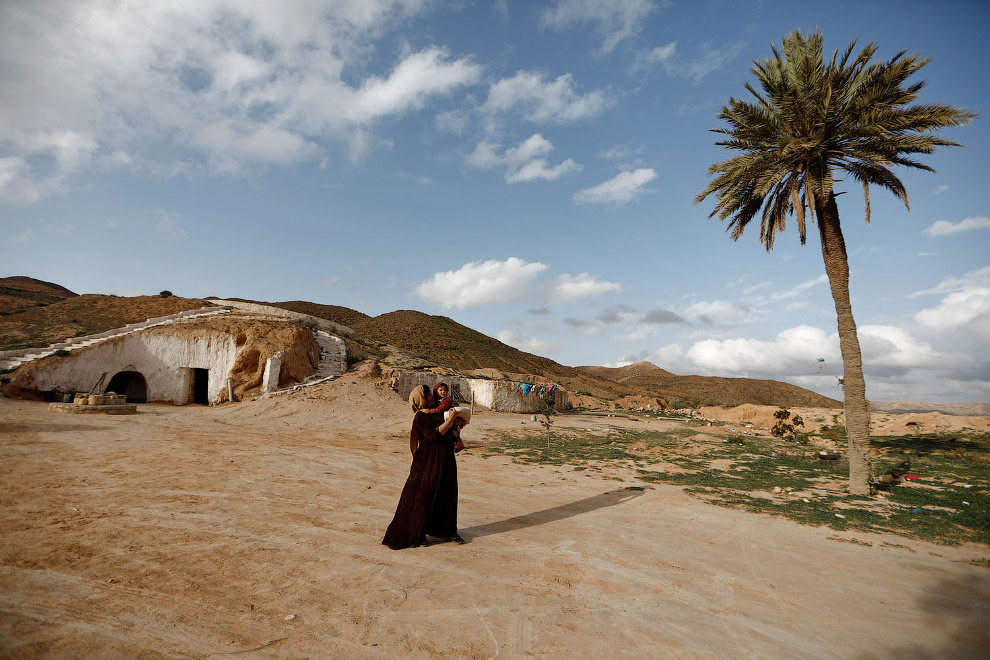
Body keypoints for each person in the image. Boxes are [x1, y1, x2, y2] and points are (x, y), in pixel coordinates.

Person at [382, 407, 471, 549]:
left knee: (447, 496)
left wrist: (456, 432)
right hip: (429, 461)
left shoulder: (441, 412)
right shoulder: (421, 417)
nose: (436, 396)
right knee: (424, 497)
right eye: (431, 394)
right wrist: (451, 420)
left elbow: (453, 430)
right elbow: (432, 436)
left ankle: (449, 531)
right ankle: (420, 533)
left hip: (446, 459)